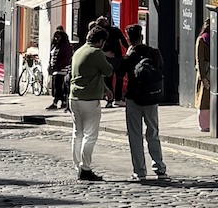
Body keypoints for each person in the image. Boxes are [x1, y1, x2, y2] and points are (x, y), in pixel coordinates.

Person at [121, 24, 167, 182]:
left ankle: (140, 171)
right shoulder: (154, 53)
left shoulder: (130, 56)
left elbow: (120, 73)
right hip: (151, 99)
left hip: (134, 99)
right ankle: (159, 168)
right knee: (153, 133)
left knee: (135, 135)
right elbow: (161, 70)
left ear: (128, 39)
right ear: (142, 36)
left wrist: (126, 56)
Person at [69, 19, 112, 181]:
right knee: (90, 135)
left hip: (74, 98)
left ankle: (77, 165)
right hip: (89, 100)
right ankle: (85, 169)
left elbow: (91, 74)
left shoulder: (79, 51)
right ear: (100, 41)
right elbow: (108, 71)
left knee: (77, 133)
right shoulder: (96, 53)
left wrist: (105, 89)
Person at [48, 23, 73, 111]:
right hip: (55, 69)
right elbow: (51, 56)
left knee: (61, 87)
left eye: (58, 37)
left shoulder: (66, 46)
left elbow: (66, 59)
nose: (56, 39)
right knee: (56, 86)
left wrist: (58, 66)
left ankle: (62, 102)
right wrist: (50, 66)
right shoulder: (54, 46)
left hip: (62, 70)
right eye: (55, 37)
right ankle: (56, 101)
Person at [194, 22, 212, 133]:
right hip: (205, 72)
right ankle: (204, 125)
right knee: (204, 100)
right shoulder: (201, 40)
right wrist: (203, 78)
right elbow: (199, 60)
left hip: (216, 72)